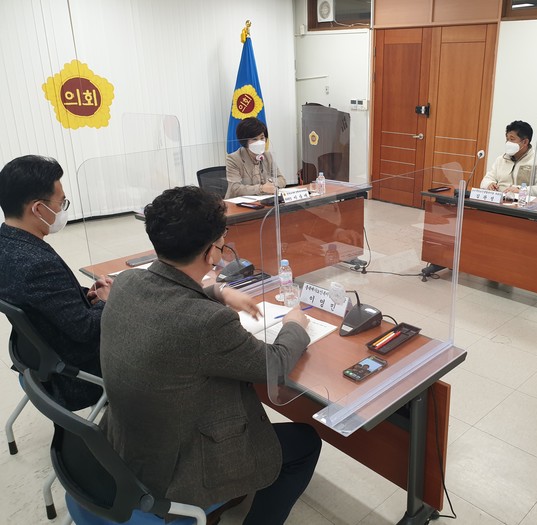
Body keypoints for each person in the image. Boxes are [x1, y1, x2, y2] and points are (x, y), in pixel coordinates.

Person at [99, 186, 320, 525]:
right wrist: (295, 325)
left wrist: (217, 290)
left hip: (127, 447)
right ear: (211, 253)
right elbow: (273, 365)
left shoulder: (127, 282)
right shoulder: (208, 323)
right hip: (178, 471)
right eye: (221, 243)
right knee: (306, 443)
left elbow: (168, 296)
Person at [0, 155, 110, 410]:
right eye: (61, 203)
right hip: (74, 376)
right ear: (38, 209)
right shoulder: (37, 263)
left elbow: (45, 300)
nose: (62, 210)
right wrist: (106, 302)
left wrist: (87, 295)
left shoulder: (7, 242)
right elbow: (86, 330)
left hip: (38, 359)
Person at [480, 120, 537, 199]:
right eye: (507, 139)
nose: (508, 143)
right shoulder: (501, 159)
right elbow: (487, 179)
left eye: (512, 139)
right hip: (500, 202)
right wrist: (489, 184)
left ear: (525, 142)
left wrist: (521, 190)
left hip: (524, 204)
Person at [225, 117, 286, 198]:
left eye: (262, 138)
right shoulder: (233, 159)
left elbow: (282, 179)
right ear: (244, 141)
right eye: (254, 139)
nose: (259, 142)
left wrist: (270, 184)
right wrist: (261, 188)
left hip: (264, 199)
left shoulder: (268, 156)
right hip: (238, 203)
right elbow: (235, 188)